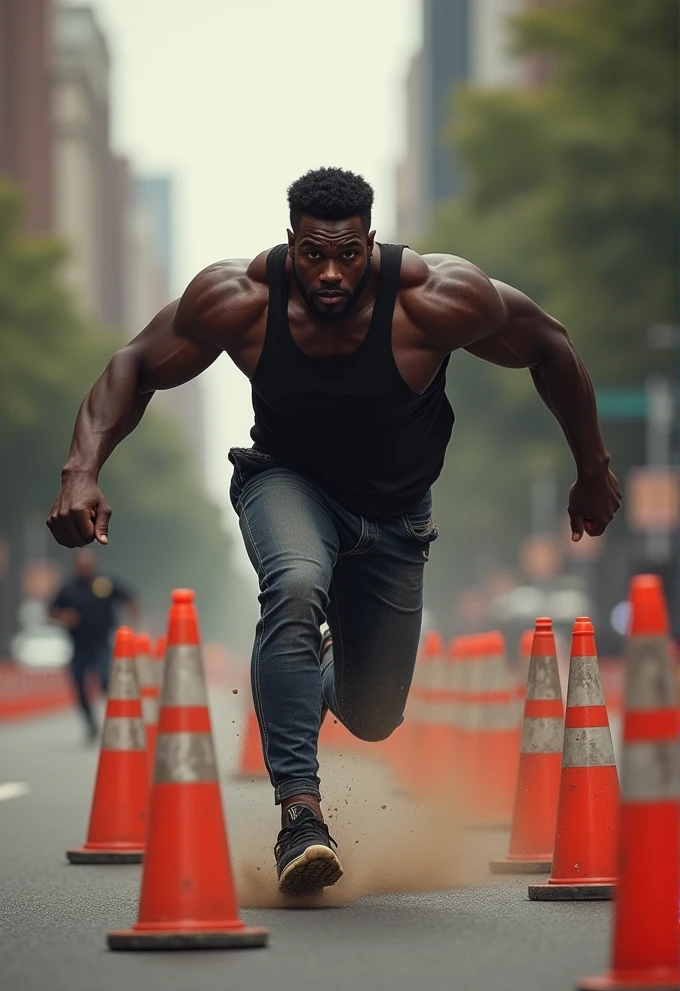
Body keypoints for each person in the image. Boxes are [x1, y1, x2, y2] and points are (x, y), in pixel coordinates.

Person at [46, 167, 621, 894]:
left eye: (346, 255)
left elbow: (551, 346)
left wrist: (592, 467)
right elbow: (134, 365)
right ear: (291, 245)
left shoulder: (437, 298)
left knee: (372, 714)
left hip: (397, 515)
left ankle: (317, 664)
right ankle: (301, 816)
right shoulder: (239, 298)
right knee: (293, 584)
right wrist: (81, 468)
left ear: (371, 244)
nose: (328, 273)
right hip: (288, 483)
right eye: (312, 255)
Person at [49, 551, 137, 741]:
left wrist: (132, 623)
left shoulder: (104, 583)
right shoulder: (69, 588)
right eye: (81, 564)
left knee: (106, 679)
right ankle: (90, 724)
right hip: (79, 645)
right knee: (79, 685)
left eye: (88, 564)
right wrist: (63, 616)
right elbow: (51, 611)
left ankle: (117, 719)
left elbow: (130, 597)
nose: (85, 568)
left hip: (101, 643)